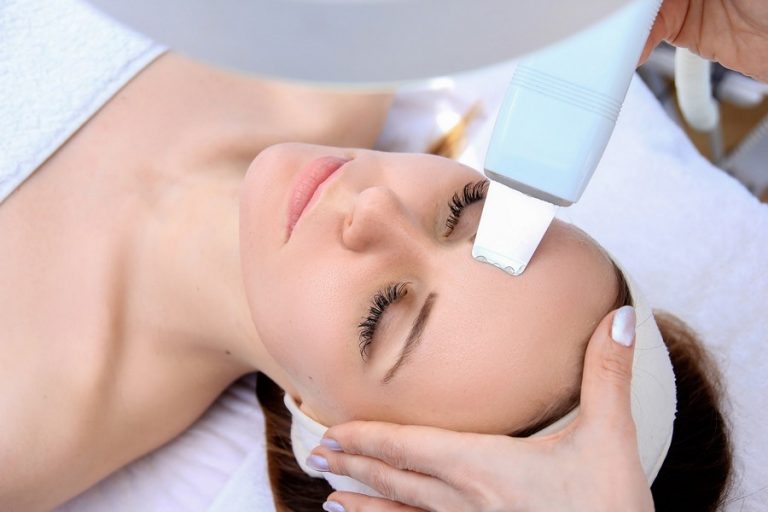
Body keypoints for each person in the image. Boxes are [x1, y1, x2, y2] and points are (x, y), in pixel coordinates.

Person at [309, 1, 768, 510]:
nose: (375, 207)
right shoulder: (329, 52)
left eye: (382, 314)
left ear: (323, 427)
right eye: (466, 208)